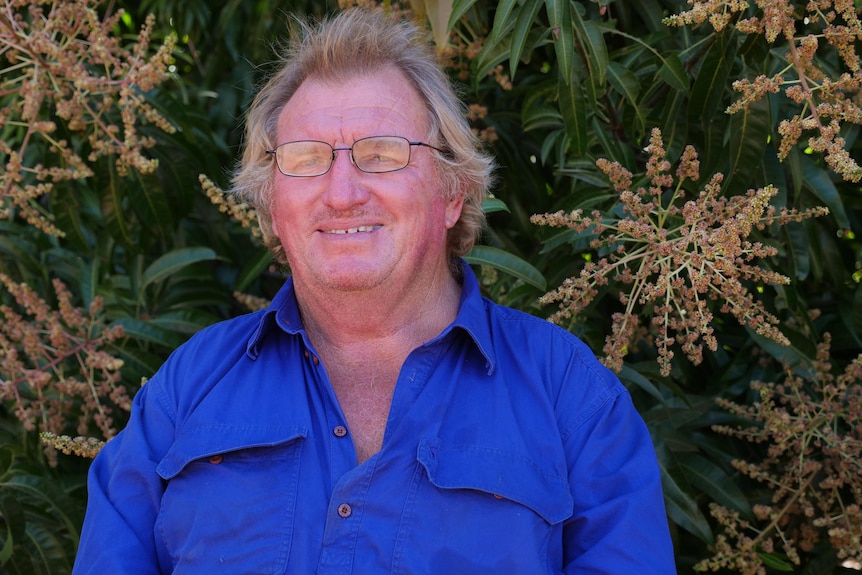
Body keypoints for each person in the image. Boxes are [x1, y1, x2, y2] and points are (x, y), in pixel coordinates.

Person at [73, 7, 677, 574]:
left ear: (452, 191)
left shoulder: (573, 400)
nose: (341, 193)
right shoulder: (186, 390)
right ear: (271, 203)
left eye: (382, 155)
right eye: (305, 158)